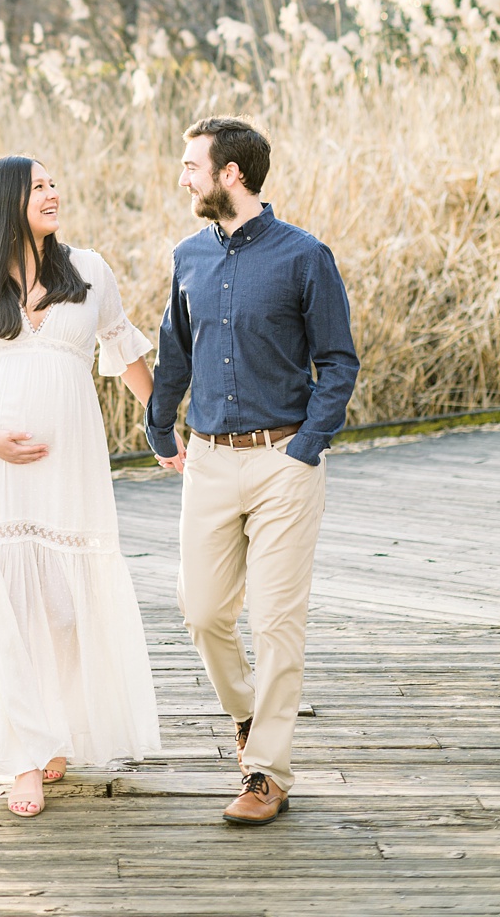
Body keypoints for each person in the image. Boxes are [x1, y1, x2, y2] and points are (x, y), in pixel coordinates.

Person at [0, 155, 163, 816]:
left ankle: (54, 730)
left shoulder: (89, 270)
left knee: (62, 604)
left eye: (56, 184)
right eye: (39, 187)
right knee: (4, 602)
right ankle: (21, 755)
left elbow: (124, 349)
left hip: (69, 464)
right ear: (5, 200)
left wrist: (165, 428)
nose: (54, 194)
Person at [149, 115, 359, 827]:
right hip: (208, 460)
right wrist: (158, 423)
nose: (183, 177)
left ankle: (266, 771)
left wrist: (308, 445)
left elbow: (338, 362)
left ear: (230, 174)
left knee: (275, 621)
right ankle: (247, 714)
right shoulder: (187, 256)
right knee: (203, 611)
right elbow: (173, 350)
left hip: (284, 461)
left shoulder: (305, 257)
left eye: (191, 166)